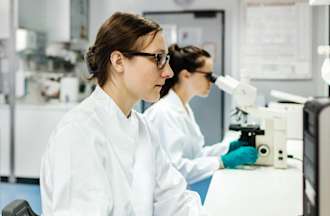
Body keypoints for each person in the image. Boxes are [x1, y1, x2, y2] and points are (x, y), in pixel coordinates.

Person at [40, 13, 206, 216]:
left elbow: (174, 199)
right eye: (158, 58)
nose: (169, 72)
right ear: (119, 61)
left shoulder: (141, 126)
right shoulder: (79, 133)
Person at [144, 44, 258, 185]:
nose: (212, 82)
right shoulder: (164, 114)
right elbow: (175, 169)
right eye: (208, 76)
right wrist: (223, 161)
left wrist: (228, 148)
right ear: (186, 75)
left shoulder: (183, 108)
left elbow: (196, 155)